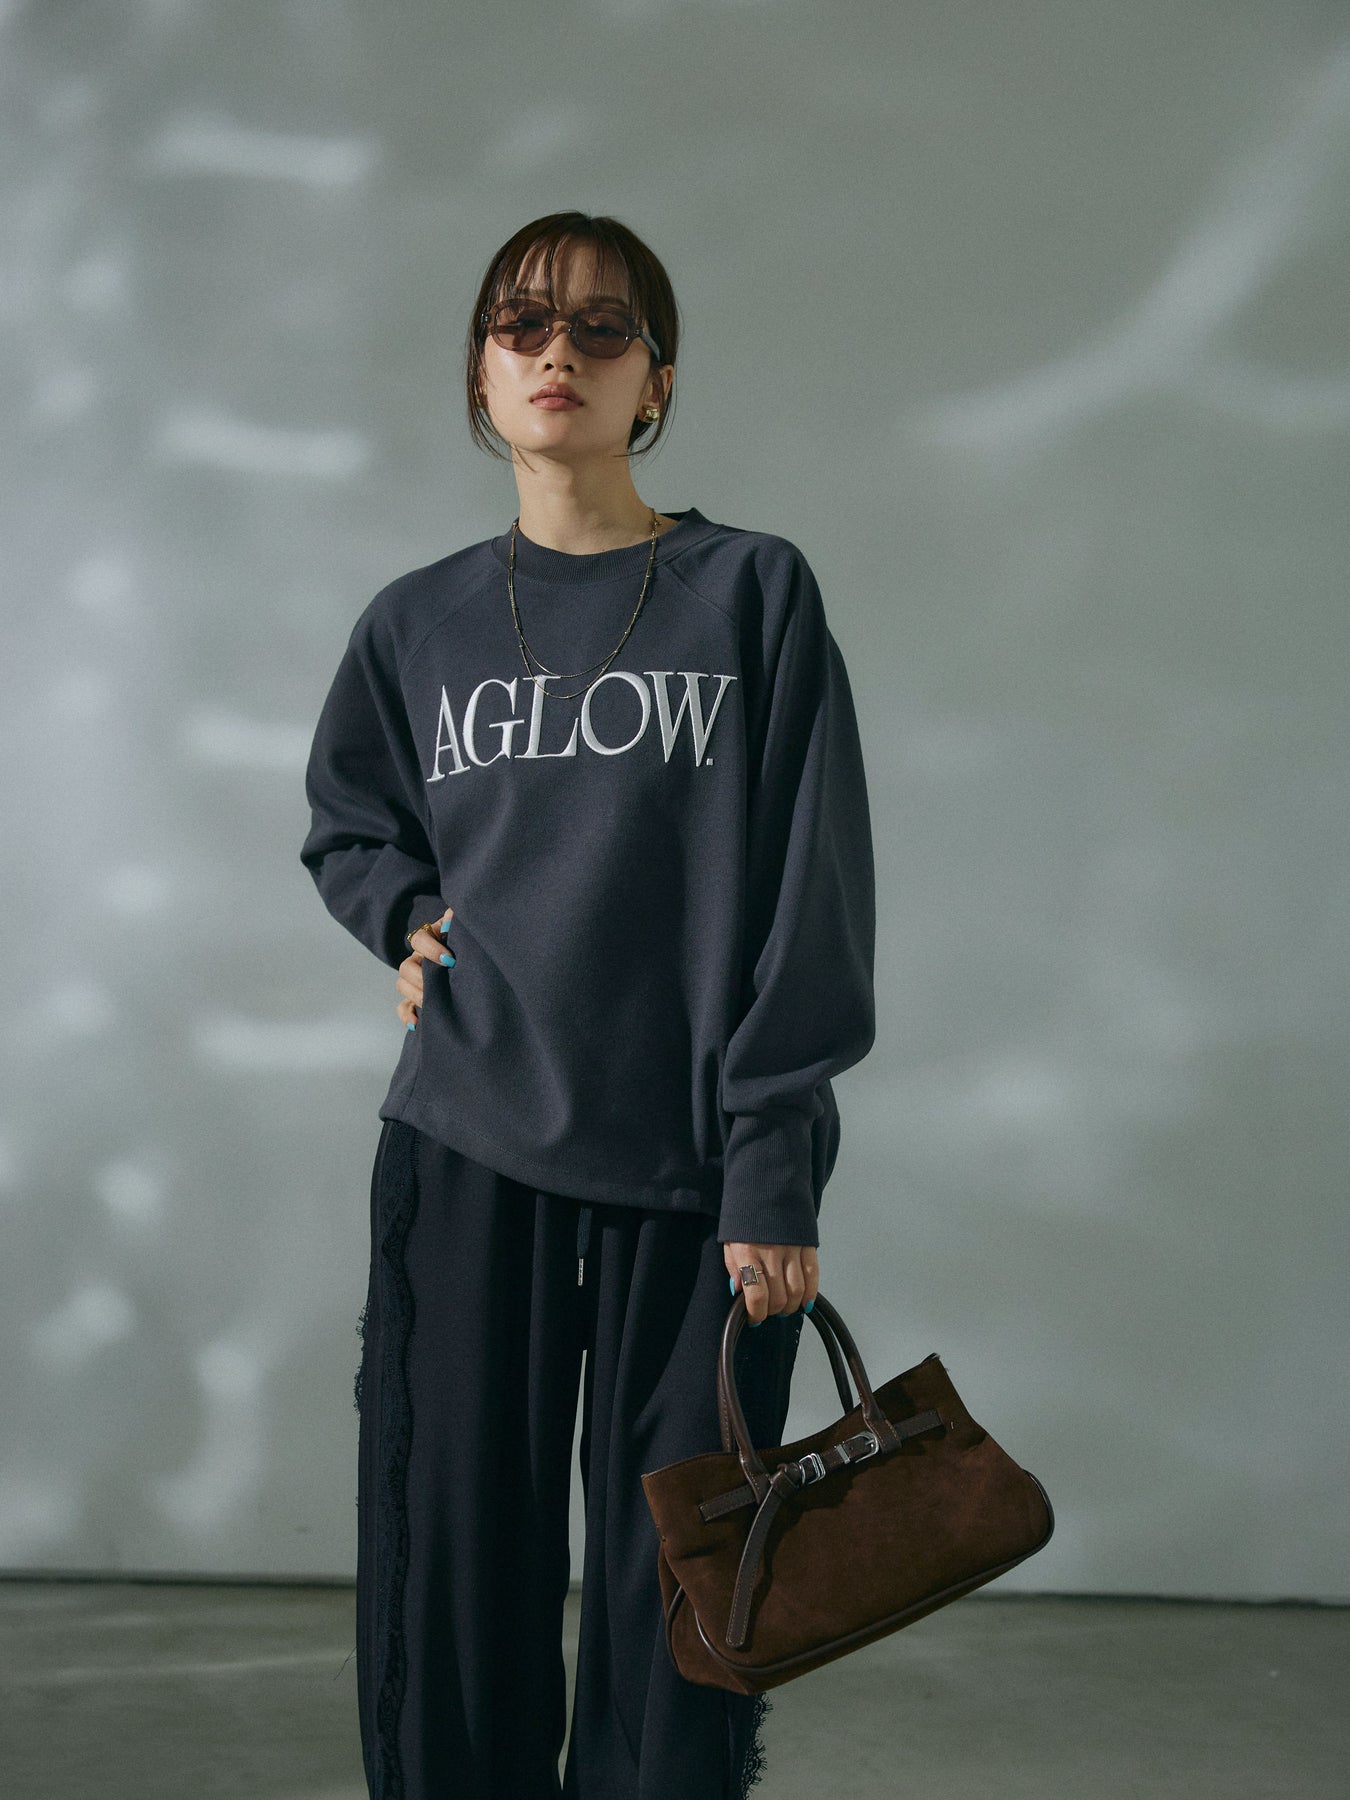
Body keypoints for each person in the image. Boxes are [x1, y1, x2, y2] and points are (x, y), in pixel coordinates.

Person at [299, 210, 877, 1800]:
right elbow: (350, 822)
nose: (560, 351)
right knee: (450, 1564)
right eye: (522, 324)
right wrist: (401, 916)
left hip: (691, 1165)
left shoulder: (749, 592)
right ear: (480, 377)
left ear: (656, 382)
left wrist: (773, 1165)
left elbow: (809, 899)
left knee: (677, 1588)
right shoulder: (414, 621)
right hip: (464, 1140)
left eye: (603, 328)